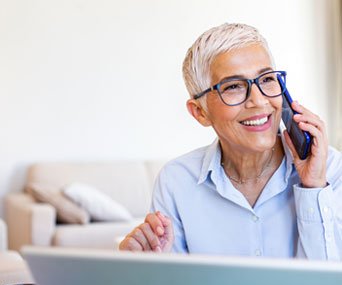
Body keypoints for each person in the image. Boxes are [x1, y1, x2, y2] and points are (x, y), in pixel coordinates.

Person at [120, 23, 342, 260]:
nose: (258, 101)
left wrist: (314, 188)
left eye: (266, 79)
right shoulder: (176, 182)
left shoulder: (328, 167)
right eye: (234, 86)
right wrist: (145, 267)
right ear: (200, 112)